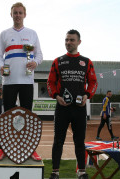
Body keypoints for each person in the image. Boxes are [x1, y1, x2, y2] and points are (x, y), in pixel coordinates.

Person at [0, 2, 43, 161]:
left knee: (28, 115)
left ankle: (30, 148)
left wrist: (35, 63)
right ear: (11, 14)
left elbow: (40, 55)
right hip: (9, 81)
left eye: (20, 13)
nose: (18, 15)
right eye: (15, 13)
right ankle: (4, 148)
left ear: (25, 15)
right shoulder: (4, 34)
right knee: (7, 116)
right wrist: (2, 66)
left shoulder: (32, 33)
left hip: (27, 80)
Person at [47, 29, 98, 179]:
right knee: (58, 140)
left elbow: (93, 82)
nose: (68, 42)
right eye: (66, 40)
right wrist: (56, 96)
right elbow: (50, 82)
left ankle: (81, 171)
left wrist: (87, 95)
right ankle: (55, 172)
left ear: (79, 42)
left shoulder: (86, 62)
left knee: (79, 141)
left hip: (80, 109)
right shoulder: (58, 61)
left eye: (72, 40)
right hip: (62, 108)